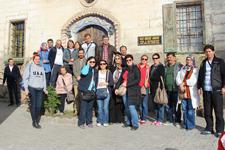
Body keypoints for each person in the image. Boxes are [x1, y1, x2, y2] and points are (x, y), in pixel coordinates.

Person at [197, 44, 225, 137]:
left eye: (209, 51)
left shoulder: (220, 62)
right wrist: (199, 87)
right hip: (206, 91)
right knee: (207, 111)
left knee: (218, 111)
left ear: (213, 52)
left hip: (217, 90)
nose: (208, 53)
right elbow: (200, 76)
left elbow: (224, 75)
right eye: (206, 52)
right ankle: (209, 128)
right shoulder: (203, 62)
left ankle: (220, 130)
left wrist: (224, 87)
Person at [115, 54, 141, 130]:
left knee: (131, 107)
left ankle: (135, 124)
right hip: (124, 91)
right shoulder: (125, 69)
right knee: (126, 107)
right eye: (127, 60)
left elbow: (137, 80)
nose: (128, 61)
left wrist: (127, 84)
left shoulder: (135, 68)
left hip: (132, 91)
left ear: (132, 60)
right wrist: (116, 88)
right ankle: (128, 122)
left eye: (130, 60)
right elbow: (120, 80)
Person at [23, 54, 47, 129]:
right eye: (36, 59)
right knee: (33, 105)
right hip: (32, 88)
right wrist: (26, 89)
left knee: (39, 105)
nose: (37, 60)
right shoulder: (29, 66)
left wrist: (45, 89)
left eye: (38, 59)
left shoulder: (41, 67)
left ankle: (36, 118)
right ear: (33, 59)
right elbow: (25, 78)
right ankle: (35, 121)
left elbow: (44, 79)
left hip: (40, 89)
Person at [176, 56, 200, 130]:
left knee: (190, 110)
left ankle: (190, 125)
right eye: (187, 59)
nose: (188, 61)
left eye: (190, 60)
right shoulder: (183, 69)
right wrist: (180, 84)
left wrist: (183, 83)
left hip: (191, 93)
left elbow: (193, 81)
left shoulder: (196, 70)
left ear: (193, 61)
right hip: (182, 92)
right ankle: (185, 124)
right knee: (184, 109)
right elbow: (178, 78)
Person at [78, 56, 98, 129]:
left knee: (90, 108)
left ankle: (89, 122)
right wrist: (87, 64)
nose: (92, 63)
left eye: (93, 62)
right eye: (91, 61)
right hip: (84, 90)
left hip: (92, 91)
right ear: (88, 62)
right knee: (83, 108)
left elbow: (95, 81)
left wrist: (95, 90)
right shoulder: (86, 68)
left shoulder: (95, 71)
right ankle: (81, 123)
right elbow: (83, 73)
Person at [164, 52, 183, 126]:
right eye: (168, 57)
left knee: (177, 106)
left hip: (176, 89)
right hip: (168, 89)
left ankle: (178, 121)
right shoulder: (166, 67)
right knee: (169, 105)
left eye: (170, 57)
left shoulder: (179, 66)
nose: (169, 59)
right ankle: (170, 120)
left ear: (174, 58)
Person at [96, 60, 114, 127]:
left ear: (106, 65)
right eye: (101, 64)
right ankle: (99, 121)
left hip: (106, 91)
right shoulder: (97, 72)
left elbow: (112, 83)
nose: (102, 65)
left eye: (104, 64)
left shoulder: (108, 72)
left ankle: (105, 121)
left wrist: (106, 83)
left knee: (105, 107)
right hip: (98, 91)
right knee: (99, 108)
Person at [149, 53, 165, 125]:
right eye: (153, 58)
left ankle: (160, 119)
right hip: (152, 88)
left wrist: (152, 78)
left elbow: (160, 77)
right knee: (155, 104)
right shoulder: (152, 66)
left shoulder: (161, 67)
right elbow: (150, 76)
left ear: (158, 58)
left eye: (156, 58)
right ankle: (156, 118)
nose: (155, 59)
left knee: (160, 104)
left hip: (159, 87)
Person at [109, 54, 124, 123]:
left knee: (120, 103)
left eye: (119, 58)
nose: (117, 60)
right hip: (113, 87)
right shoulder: (112, 68)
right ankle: (113, 119)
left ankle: (120, 119)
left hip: (121, 88)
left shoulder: (124, 68)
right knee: (113, 103)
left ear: (121, 60)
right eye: (116, 59)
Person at [73, 49, 86, 115]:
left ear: (84, 54)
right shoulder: (75, 62)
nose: (81, 54)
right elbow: (74, 70)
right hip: (76, 81)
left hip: (84, 82)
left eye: (82, 53)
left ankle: (82, 110)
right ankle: (76, 110)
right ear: (78, 54)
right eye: (79, 53)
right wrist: (77, 76)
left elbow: (87, 70)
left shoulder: (86, 61)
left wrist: (82, 77)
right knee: (76, 96)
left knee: (83, 97)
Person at [137, 54, 150, 124]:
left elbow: (149, 78)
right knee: (139, 103)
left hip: (145, 87)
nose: (144, 60)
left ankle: (144, 118)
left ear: (147, 60)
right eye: (142, 59)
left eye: (145, 59)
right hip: (138, 87)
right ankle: (141, 116)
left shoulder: (148, 68)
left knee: (144, 103)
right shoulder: (137, 67)